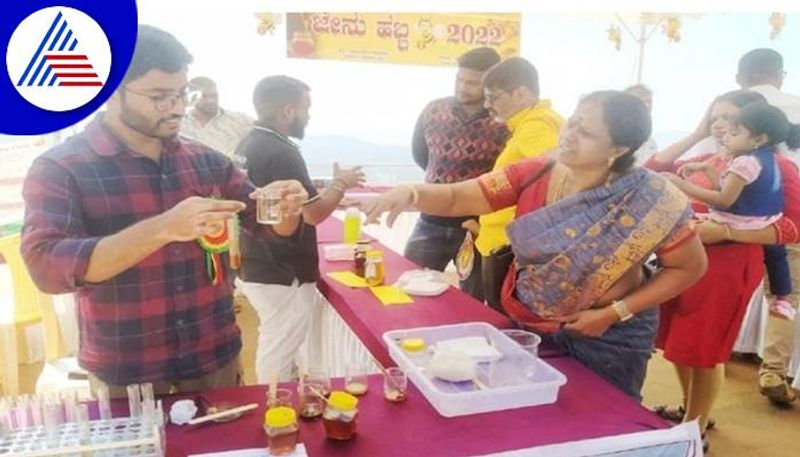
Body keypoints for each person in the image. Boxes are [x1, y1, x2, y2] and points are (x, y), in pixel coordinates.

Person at [20, 25, 308, 397]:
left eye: (181, 94)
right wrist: (164, 228)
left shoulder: (206, 161)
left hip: (214, 356)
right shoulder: (62, 167)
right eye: (159, 96)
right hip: (128, 371)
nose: (175, 108)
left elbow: (266, 226)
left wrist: (285, 207)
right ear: (110, 93)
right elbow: (46, 267)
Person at [363, 90, 707, 400]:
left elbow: (689, 267)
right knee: (531, 413)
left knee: (601, 424)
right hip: (531, 324)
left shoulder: (651, 199)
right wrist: (411, 193)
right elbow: (458, 197)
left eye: (585, 133)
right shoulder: (539, 171)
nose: (569, 136)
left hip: (608, 336)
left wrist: (612, 313)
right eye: (572, 123)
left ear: (618, 150)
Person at [645, 90, 800, 446]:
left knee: (706, 348)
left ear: (753, 125)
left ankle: (694, 429)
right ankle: (691, 410)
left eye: (728, 118)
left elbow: (793, 226)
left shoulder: (776, 166)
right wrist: (698, 133)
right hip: (684, 258)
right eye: (714, 118)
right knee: (680, 342)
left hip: (728, 264)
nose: (719, 125)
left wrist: (727, 231)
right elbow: (652, 168)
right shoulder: (715, 158)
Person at [236, 75, 365, 383]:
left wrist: (326, 186)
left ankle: (284, 400)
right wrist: (340, 184)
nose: (309, 115)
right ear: (288, 111)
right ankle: (277, 415)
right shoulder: (281, 152)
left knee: (279, 346)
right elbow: (313, 213)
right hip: (283, 271)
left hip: (256, 262)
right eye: (306, 107)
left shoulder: (250, 142)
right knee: (277, 353)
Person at [664, 103, 800, 321]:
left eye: (734, 133)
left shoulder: (745, 162)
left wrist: (683, 186)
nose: (725, 136)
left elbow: (725, 200)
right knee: (777, 256)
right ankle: (782, 298)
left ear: (758, 138)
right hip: (763, 219)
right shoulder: (768, 159)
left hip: (740, 223)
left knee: (680, 224)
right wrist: (709, 170)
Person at [407, 47, 508, 302]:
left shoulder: (503, 120)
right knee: (408, 286)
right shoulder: (433, 110)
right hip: (431, 220)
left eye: (473, 82)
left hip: (477, 228)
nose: (463, 87)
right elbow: (421, 155)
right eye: (459, 79)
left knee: (475, 299)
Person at [472, 57, 564, 310]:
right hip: (505, 238)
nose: (488, 106)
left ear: (521, 93)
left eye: (494, 98)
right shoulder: (532, 122)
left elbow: (557, 175)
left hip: (509, 243)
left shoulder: (537, 126)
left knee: (504, 320)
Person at [737, 48, 800, 404]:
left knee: (730, 286)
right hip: (787, 224)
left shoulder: (734, 110)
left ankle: (720, 352)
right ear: (780, 74)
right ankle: (773, 370)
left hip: (736, 223)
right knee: (784, 295)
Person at [181, 76, 254, 157]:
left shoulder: (238, 120)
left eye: (214, 95)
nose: (211, 101)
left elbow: (265, 131)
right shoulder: (180, 125)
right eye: (204, 96)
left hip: (231, 168)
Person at [625, 84, 659, 165]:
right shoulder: (619, 133)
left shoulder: (649, 140)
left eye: (649, 101)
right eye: (641, 101)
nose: (647, 105)